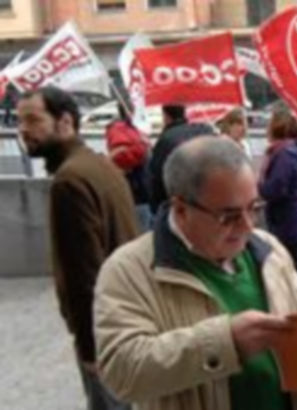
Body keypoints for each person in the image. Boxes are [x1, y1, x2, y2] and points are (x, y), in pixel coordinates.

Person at [94, 137, 297, 410]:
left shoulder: (269, 249)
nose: (247, 225)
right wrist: (224, 342)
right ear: (181, 209)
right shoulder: (128, 270)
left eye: (254, 208)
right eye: (229, 216)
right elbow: (120, 371)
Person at [17, 86, 138, 410]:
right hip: (127, 319)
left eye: (33, 119)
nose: (23, 129)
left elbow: (83, 274)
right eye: (19, 121)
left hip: (106, 331)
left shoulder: (70, 181)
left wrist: (90, 347)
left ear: (65, 121)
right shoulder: (99, 165)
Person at [259, 110, 297, 279]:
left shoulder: (283, 154)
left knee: (293, 268)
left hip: (287, 219)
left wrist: (260, 187)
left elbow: (276, 188)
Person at [147, 104, 215, 212]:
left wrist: (158, 209)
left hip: (178, 203)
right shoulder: (205, 131)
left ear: (165, 116)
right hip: (209, 199)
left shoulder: (166, 139)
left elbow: (156, 178)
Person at [105, 103, 152, 230]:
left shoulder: (128, 129)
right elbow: (121, 154)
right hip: (137, 190)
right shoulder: (124, 130)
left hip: (135, 190)